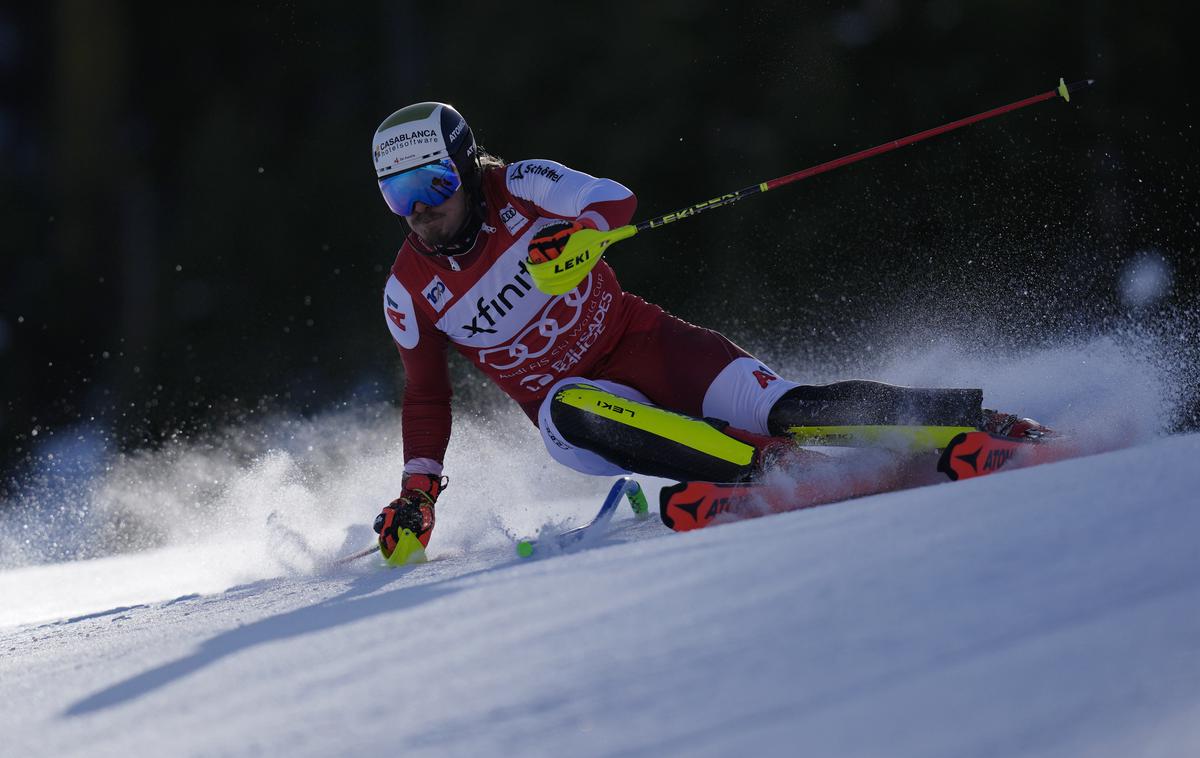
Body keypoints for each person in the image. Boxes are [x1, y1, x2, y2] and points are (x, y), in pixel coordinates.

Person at [370, 102, 1047, 565]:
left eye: (431, 185)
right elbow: (427, 396)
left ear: (463, 168)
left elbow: (612, 199)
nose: (421, 212)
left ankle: (981, 423)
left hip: (648, 342)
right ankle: (767, 469)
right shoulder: (407, 291)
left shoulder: (517, 184)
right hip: (574, 411)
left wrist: (584, 238)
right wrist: (417, 495)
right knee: (572, 407)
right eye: (399, 197)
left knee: (783, 408)